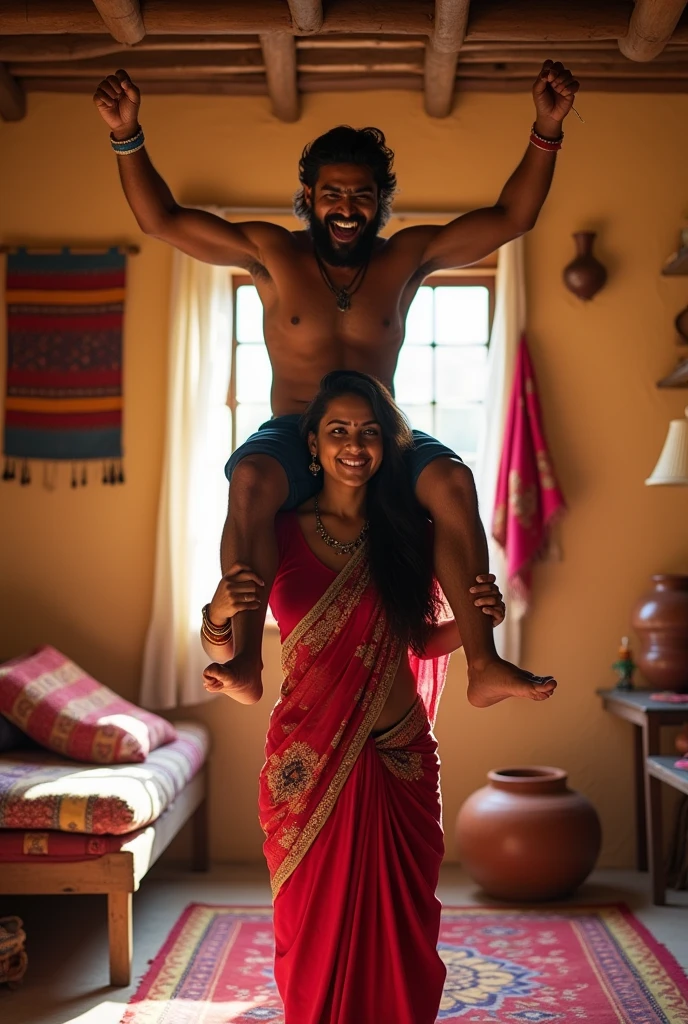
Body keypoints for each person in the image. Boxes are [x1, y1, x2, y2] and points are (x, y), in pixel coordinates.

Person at [93, 60, 578, 706]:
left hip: (381, 429)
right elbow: (162, 221)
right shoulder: (272, 255)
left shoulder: (405, 258)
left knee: (455, 481)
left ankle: (484, 664)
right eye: (332, 193)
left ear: (380, 201)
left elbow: (513, 216)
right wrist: (127, 133)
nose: (346, 208)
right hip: (294, 430)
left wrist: (546, 126)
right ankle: (243, 660)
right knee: (249, 479)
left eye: (362, 195)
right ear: (308, 196)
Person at [200, 371, 556, 1024]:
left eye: (368, 433)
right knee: (310, 935)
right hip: (308, 762)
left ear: (387, 447)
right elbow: (226, 649)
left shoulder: (411, 534)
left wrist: (478, 621)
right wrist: (217, 619)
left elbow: (417, 638)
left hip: (400, 756)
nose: (353, 445)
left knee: (406, 932)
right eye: (337, 432)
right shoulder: (278, 531)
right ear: (311, 447)